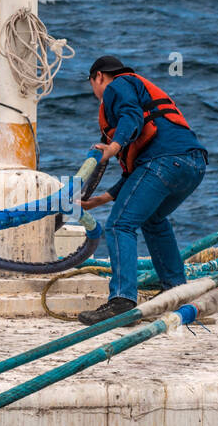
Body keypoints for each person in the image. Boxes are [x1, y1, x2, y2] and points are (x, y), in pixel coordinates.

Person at [77, 56, 208, 325]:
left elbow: (131, 116)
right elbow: (134, 174)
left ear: (98, 77)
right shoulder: (140, 88)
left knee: (119, 226)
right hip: (192, 165)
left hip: (163, 161)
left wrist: (112, 148)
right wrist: (102, 198)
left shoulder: (118, 85)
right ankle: (177, 293)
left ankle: (122, 301)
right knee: (153, 219)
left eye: (93, 84)